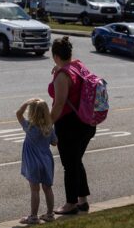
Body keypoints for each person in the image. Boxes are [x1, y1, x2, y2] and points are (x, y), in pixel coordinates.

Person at [48, 36, 96, 215]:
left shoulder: (62, 75)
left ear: (55, 56)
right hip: (87, 123)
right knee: (76, 161)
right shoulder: (78, 65)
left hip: (70, 126)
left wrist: (48, 125)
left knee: (69, 165)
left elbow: (59, 104)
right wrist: (59, 69)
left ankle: (71, 203)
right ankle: (83, 201)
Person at [16, 98, 58, 224]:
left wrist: (26, 102)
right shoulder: (49, 127)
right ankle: (50, 214)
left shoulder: (29, 126)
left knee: (35, 190)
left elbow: (18, 114)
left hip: (33, 163)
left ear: (32, 113)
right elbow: (55, 143)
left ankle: (33, 216)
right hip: (46, 161)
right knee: (48, 188)